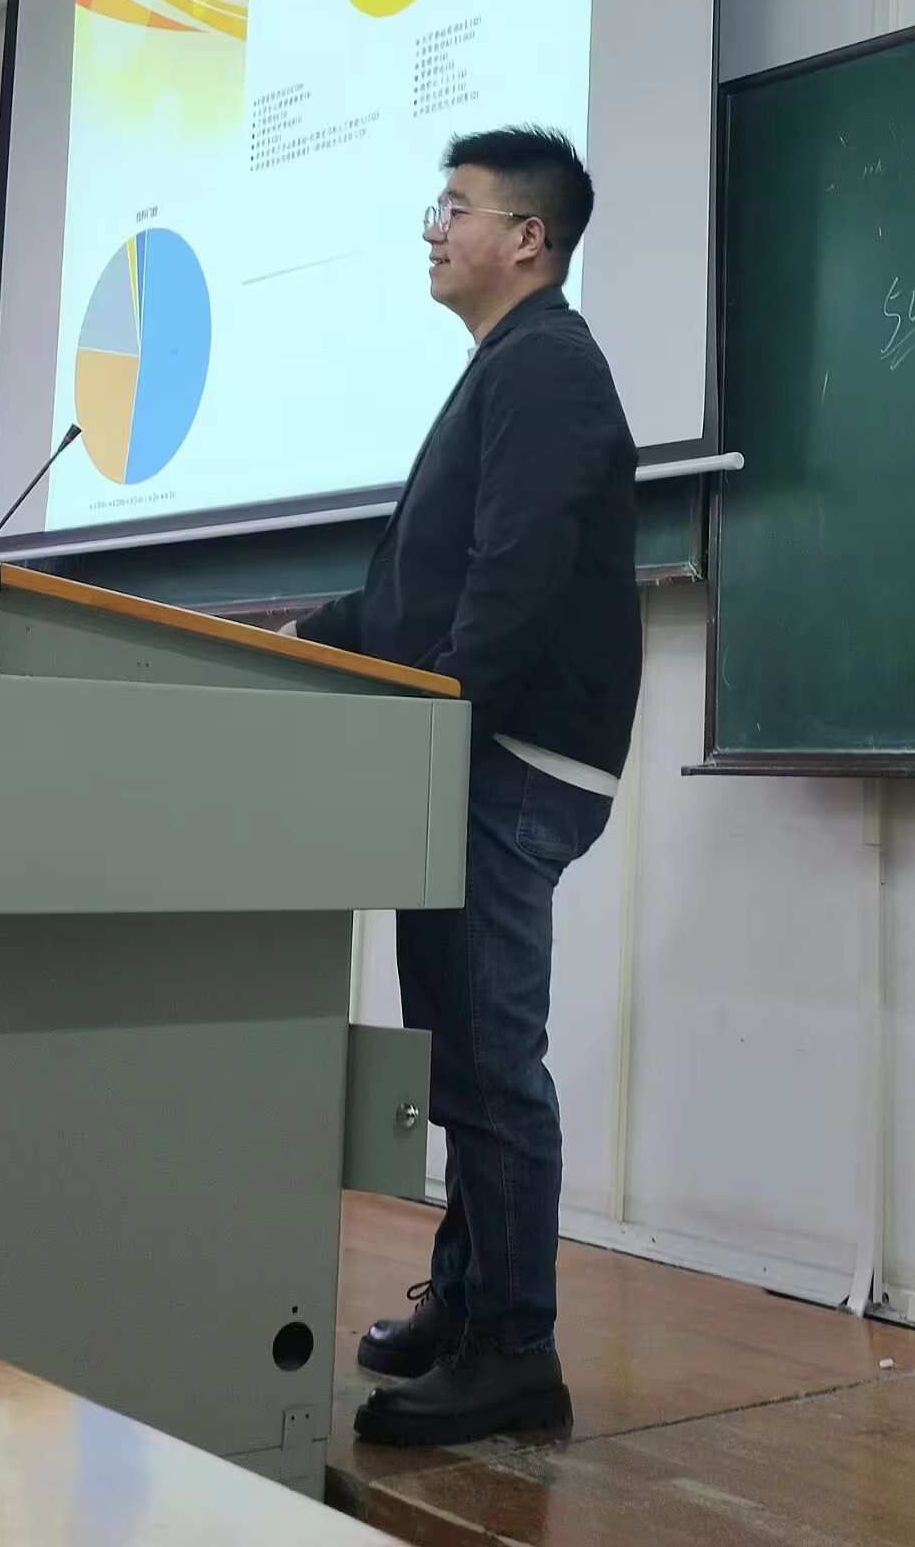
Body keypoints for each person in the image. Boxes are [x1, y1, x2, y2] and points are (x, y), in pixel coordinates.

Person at [289, 126, 642, 1447]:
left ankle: (516, 1355)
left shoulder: (546, 364)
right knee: (456, 1055)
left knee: (491, 1065)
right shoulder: (510, 364)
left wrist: (438, 715)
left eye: (456, 208)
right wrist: (315, 635)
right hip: (477, 750)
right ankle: (470, 1295)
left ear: (527, 239)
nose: (434, 230)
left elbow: (513, 580)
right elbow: (423, 591)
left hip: (507, 757)